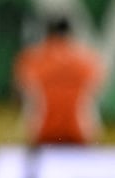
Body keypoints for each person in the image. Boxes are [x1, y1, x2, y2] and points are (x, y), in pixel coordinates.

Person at [13, 15, 106, 146]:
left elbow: (19, 95)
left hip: (43, 132)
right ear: (71, 33)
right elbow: (97, 93)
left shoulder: (31, 59)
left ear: (46, 33)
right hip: (79, 132)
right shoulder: (88, 60)